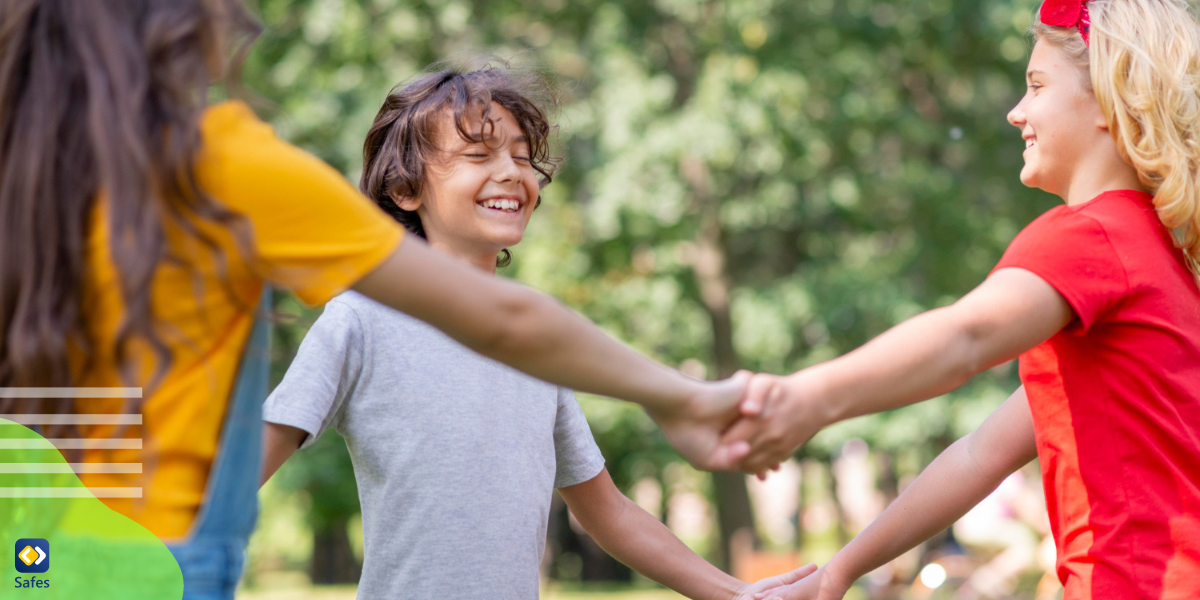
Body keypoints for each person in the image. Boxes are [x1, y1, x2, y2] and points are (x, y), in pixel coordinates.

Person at [0, 2, 752, 597]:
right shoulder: (224, 168)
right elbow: (508, 323)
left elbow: (603, 504)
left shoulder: (30, 184)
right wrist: (680, 397)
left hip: (37, 554)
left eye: (524, 159)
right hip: (156, 558)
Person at [260, 65, 814, 599]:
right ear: (406, 189)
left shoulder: (536, 346)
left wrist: (738, 593)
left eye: (523, 158)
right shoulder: (361, 319)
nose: (512, 172)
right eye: (478, 155)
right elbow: (252, 460)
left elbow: (608, 513)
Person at [727, 0, 1200, 598]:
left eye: (1036, 86)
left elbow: (964, 339)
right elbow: (981, 454)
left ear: (1111, 96)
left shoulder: (1092, 238)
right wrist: (838, 571)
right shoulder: (1155, 260)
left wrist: (808, 398)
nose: (1015, 112)